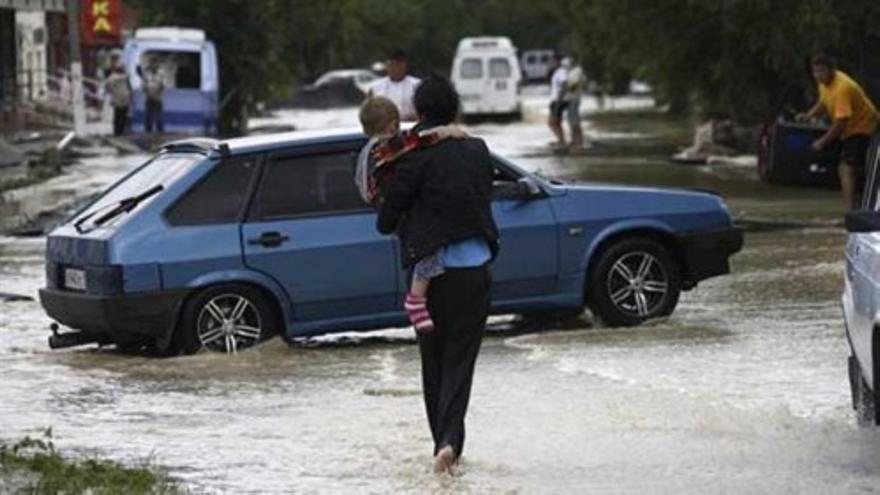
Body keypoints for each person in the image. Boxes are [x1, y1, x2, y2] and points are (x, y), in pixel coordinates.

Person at [376, 76, 499, 473]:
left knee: (434, 365)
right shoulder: (478, 150)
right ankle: (450, 443)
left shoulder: (412, 156)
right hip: (475, 273)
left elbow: (387, 218)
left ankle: (441, 445)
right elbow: (483, 194)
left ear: (421, 112)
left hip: (430, 280)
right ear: (454, 110)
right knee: (460, 365)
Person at [356, 96, 467, 332]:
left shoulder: (367, 150)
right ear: (392, 124)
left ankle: (419, 294)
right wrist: (447, 132)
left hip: (385, 204)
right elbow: (417, 142)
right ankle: (416, 299)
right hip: (393, 206)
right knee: (428, 246)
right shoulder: (384, 148)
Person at [798, 54, 878, 208]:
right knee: (842, 167)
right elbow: (823, 101)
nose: (818, 76)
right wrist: (809, 115)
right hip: (848, 129)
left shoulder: (843, 88)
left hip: (864, 128)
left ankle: (850, 213)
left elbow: (841, 123)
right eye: (815, 72)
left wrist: (822, 142)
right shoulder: (824, 83)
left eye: (822, 71)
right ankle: (856, 205)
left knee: (846, 168)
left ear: (832, 70)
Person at [367, 48, 421, 121]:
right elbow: (367, 112)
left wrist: (409, 117)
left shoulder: (418, 85)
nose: (395, 68)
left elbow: (425, 111)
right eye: (391, 65)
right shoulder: (375, 87)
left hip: (410, 126)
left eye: (398, 65)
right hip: (383, 128)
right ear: (386, 66)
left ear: (405, 65)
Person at [562, 57, 587, 150]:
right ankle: (575, 140)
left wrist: (566, 87)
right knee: (571, 119)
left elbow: (574, 84)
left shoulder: (576, 71)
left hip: (574, 99)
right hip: (572, 99)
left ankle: (578, 141)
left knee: (574, 120)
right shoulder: (573, 72)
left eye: (565, 66)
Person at [104, 54, 131, 136]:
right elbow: (129, 87)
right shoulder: (126, 77)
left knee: (117, 115)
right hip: (125, 99)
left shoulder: (111, 77)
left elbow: (108, 88)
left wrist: (112, 93)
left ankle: (117, 131)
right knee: (123, 116)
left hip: (117, 99)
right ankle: (121, 131)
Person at [548, 54, 569, 148]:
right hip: (555, 100)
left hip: (558, 100)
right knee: (556, 122)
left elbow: (564, 85)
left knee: (553, 122)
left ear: (557, 62)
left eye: (552, 61)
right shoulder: (556, 72)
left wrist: (559, 99)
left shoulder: (561, 72)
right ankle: (561, 140)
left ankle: (561, 141)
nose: (551, 63)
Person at [140, 58, 166, 133]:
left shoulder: (161, 73)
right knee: (148, 116)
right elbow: (143, 85)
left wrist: (157, 92)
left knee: (159, 117)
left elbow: (163, 85)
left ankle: (160, 133)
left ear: (158, 64)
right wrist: (147, 90)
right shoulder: (146, 73)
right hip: (149, 97)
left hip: (158, 98)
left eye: (155, 63)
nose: (153, 65)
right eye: (152, 63)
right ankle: (148, 132)